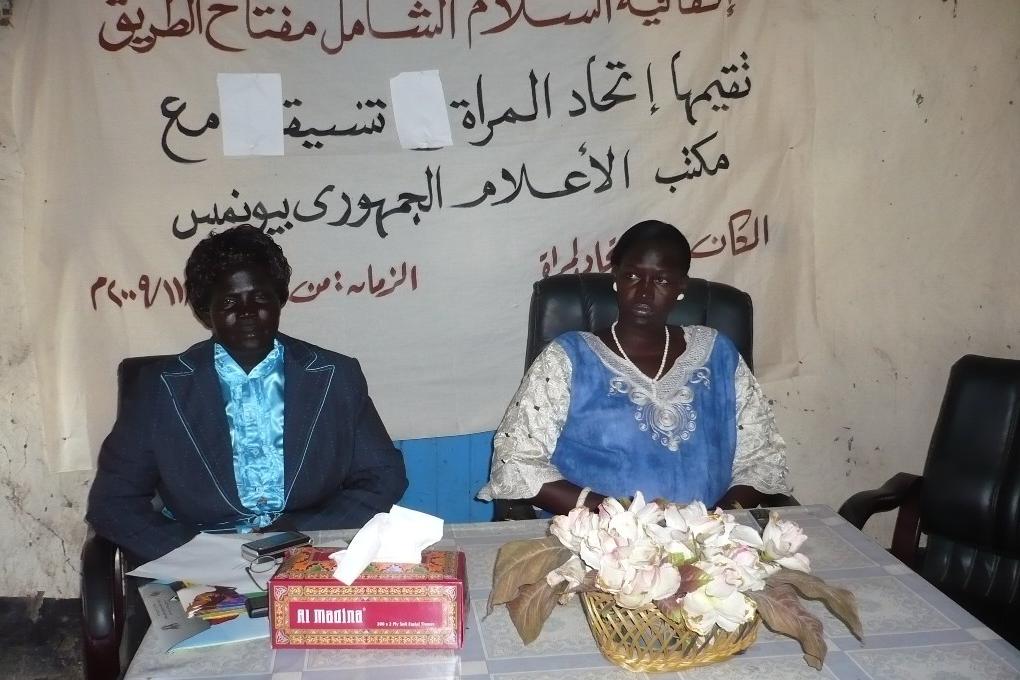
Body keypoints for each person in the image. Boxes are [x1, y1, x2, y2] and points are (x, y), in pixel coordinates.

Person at [86, 225, 408, 563]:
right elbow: (113, 503)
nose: (247, 312)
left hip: (309, 552)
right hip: (201, 563)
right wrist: (196, 553)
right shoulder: (160, 388)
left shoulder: (334, 376)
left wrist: (303, 532)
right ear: (205, 311)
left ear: (280, 299)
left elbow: (382, 477)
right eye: (229, 301)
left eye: (260, 297)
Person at [478, 220, 791, 516]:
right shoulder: (567, 358)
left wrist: (712, 522)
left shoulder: (719, 354)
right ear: (615, 277)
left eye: (662, 280)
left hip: (711, 535)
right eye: (632, 276)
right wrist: (620, 516)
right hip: (599, 535)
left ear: (681, 286)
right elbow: (516, 462)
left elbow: (762, 459)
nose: (644, 292)